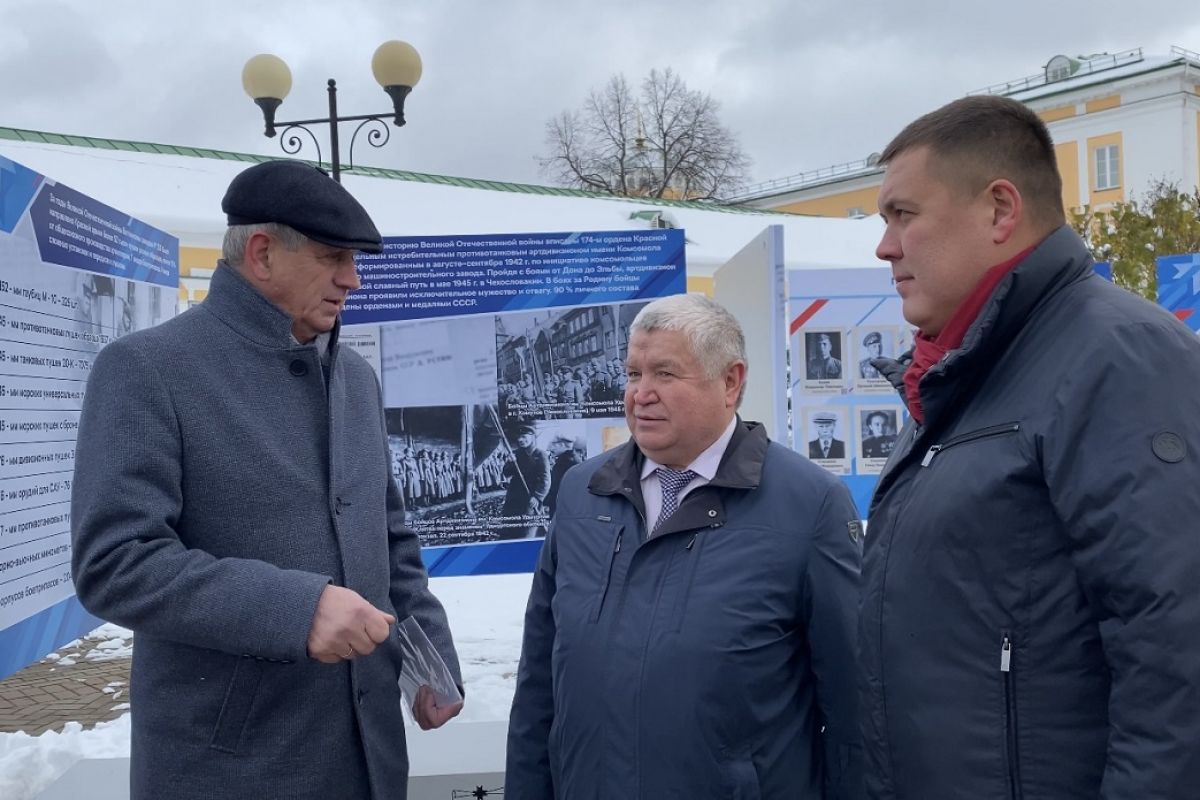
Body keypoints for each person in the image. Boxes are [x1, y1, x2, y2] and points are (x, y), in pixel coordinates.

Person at [70, 160, 463, 800]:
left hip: (369, 758)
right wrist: (298, 609)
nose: (353, 279)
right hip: (233, 768)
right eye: (334, 258)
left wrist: (425, 651)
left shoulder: (354, 377)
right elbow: (115, 563)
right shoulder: (147, 368)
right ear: (261, 254)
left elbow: (387, 538)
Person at [861, 94, 1200, 799]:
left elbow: (1174, 647)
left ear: (999, 210)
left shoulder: (1118, 358)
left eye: (903, 214)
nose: (885, 246)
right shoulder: (964, 373)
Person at [507, 294, 863, 799]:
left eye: (665, 374)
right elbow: (538, 686)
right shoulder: (583, 492)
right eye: (633, 374)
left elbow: (854, 708)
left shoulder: (810, 505)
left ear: (730, 382)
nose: (641, 394)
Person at [500, 422, 551, 539]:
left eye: (524, 436)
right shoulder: (517, 454)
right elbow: (506, 473)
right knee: (510, 527)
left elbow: (545, 479)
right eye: (519, 437)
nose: (520, 440)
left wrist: (537, 497)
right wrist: (510, 462)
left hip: (530, 497)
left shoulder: (540, 455)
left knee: (527, 529)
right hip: (514, 497)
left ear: (532, 437)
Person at [545, 436, 587, 517]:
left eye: (553, 444)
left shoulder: (564, 464)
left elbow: (556, 490)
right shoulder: (571, 460)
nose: (549, 448)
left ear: (562, 445)